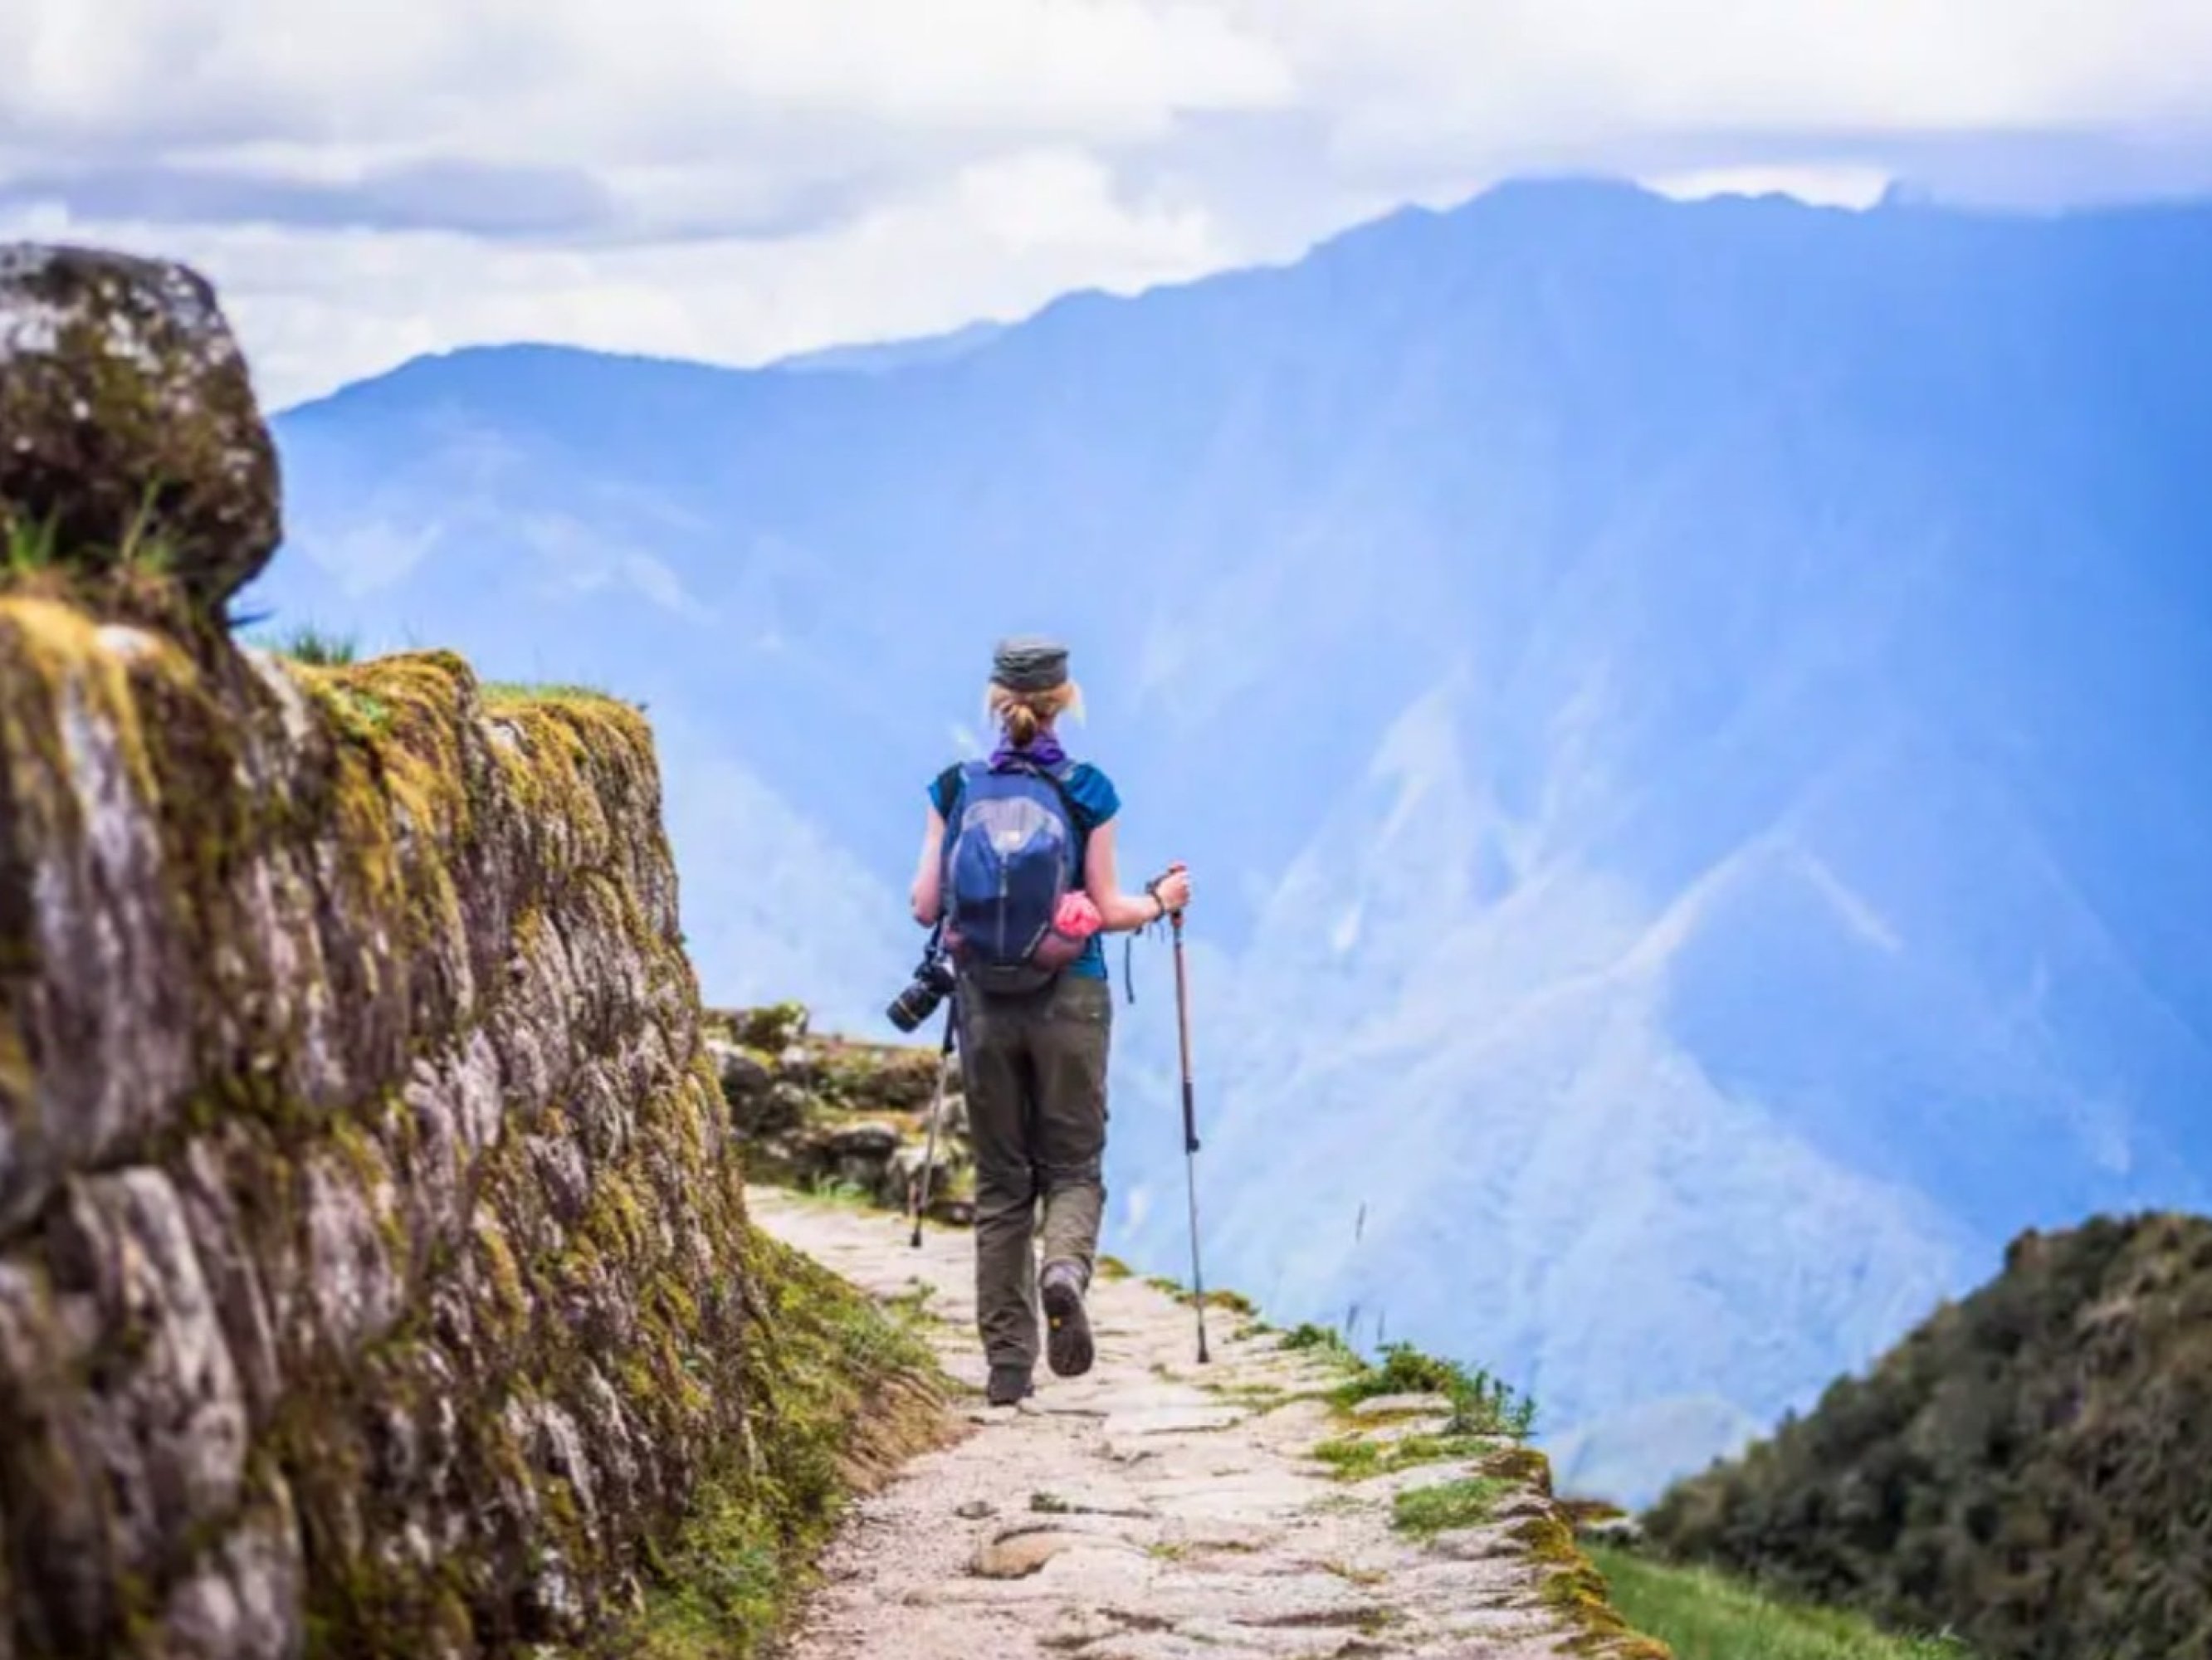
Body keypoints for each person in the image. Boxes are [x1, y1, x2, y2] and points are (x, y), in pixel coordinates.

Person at [909, 636, 1193, 1407]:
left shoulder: (955, 787)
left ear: (995, 701)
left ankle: (1007, 1367)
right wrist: (1162, 901)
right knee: (1072, 1166)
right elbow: (1104, 911)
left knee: (1003, 1183)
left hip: (983, 1003)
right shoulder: (1089, 791)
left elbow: (926, 906)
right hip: (1071, 996)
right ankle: (1063, 1269)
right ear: (1067, 699)